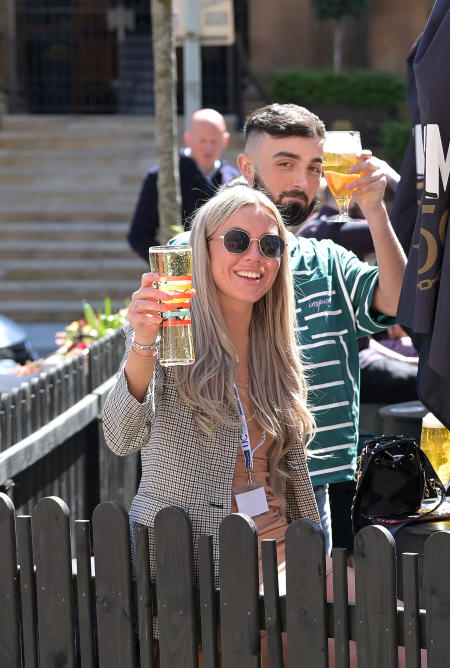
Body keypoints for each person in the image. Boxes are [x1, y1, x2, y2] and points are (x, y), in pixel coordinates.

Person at [104, 186, 363, 663]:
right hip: (202, 570)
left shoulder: (276, 348)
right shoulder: (171, 334)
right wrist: (143, 343)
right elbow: (121, 435)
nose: (255, 256)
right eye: (238, 240)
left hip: (287, 554)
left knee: (393, 625)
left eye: (270, 245)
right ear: (203, 249)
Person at [224, 103, 405, 554]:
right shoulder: (198, 255)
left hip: (311, 483)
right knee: (222, 620)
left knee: (301, 620)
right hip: (215, 486)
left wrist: (375, 211)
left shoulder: (325, 259)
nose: (302, 182)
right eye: (285, 164)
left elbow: (401, 302)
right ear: (247, 168)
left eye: (314, 168)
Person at [127, 108, 239, 262]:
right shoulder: (161, 176)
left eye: (214, 141)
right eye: (202, 141)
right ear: (188, 139)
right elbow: (139, 235)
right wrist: (170, 265)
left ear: (225, 140)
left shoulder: (235, 180)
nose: (208, 148)